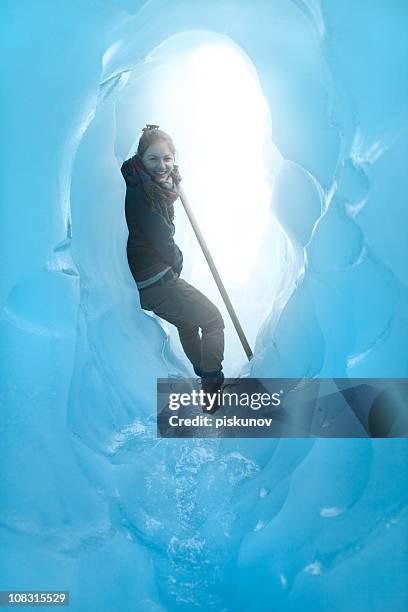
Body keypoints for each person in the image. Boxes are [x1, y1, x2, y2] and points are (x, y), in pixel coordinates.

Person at [121, 125, 225, 410]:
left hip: (151, 280)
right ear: (141, 158)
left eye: (167, 158)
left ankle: (205, 376)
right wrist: (177, 259)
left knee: (188, 324)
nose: (161, 165)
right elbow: (161, 236)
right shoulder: (142, 192)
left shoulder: (152, 185)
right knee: (213, 320)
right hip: (156, 280)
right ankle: (212, 383)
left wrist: (170, 186)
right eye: (153, 158)